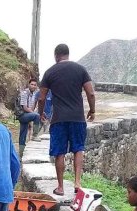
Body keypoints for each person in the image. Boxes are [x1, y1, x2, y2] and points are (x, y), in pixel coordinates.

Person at [38, 44, 95, 196]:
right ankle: (77, 182)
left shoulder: (50, 72)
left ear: (56, 55)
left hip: (58, 119)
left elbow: (41, 97)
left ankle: (61, 187)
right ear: (68, 54)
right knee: (78, 149)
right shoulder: (80, 69)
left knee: (59, 153)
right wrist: (92, 110)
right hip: (77, 117)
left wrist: (41, 113)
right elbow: (91, 94)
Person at [17, 78, 42, 149]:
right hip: (22, 115)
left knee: (23, 134)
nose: (33, 86)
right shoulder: (24, 93)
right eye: (32, 84)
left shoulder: (33, 94)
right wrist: (33, 114)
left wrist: (32, 114)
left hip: (27, 115)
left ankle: (21, 153)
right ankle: (35, 136)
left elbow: (31, 107)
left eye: (35, 85)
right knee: (36, 116)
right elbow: (25, 108)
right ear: (28, 85)